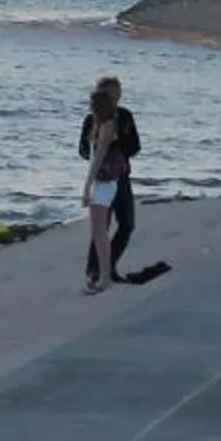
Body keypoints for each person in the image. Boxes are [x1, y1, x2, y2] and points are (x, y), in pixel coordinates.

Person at [75, 77, 141, 288]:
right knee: (100, 227)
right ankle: (97, 271)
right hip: (102, 178)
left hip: (119, 177)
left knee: (126, 225)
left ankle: (107, 269)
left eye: (116, 94)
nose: (114, 98)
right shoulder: (91, 120)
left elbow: (134, 146)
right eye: (109, 95)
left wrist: (117, 146)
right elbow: (85, 151)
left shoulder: (124, 117)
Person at [80, 91, 129, 296]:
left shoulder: (108, 125)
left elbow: (98, 157)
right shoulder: (101, 123)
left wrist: (87, 185)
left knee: (100, 232)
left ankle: (105, 277)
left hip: (104, 182)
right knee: (99, 232)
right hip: (105, 181)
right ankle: (104, 275)